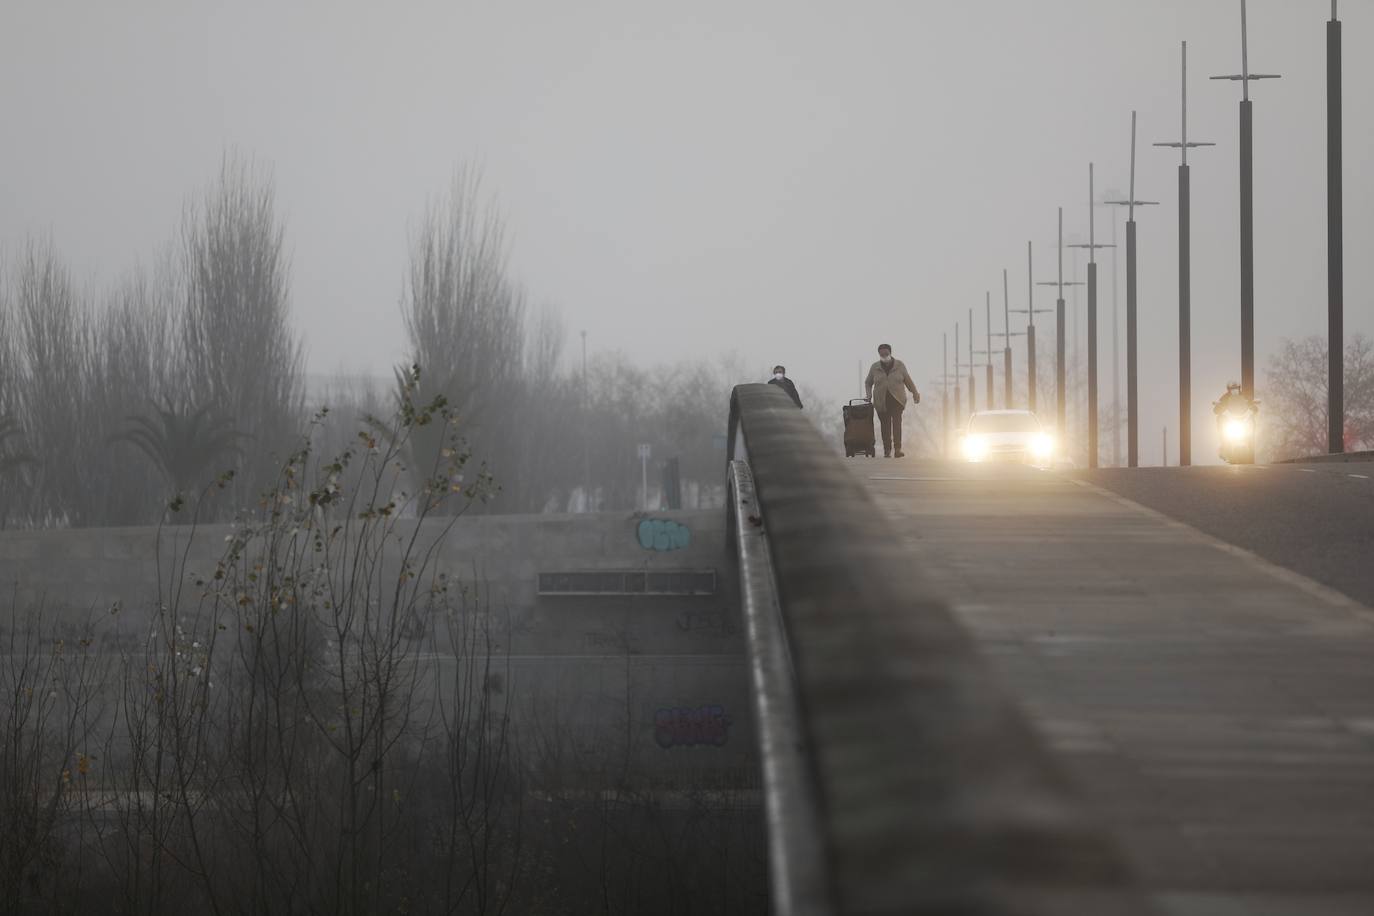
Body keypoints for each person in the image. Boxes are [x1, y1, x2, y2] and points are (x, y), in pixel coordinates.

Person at [865, 343, 920, 458]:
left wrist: (915, 393)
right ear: (879, 354)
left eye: (886, 353)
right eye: (881, 354)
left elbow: (908, 381)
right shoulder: (875, 367)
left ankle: (898, 449)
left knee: (896, 424)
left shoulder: (899, 366)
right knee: (885, 426)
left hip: (897, 400)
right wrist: (869, 395)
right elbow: (868, 382)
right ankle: (887, 449)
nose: (884, 356)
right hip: (881, 401)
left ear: (890, 353)